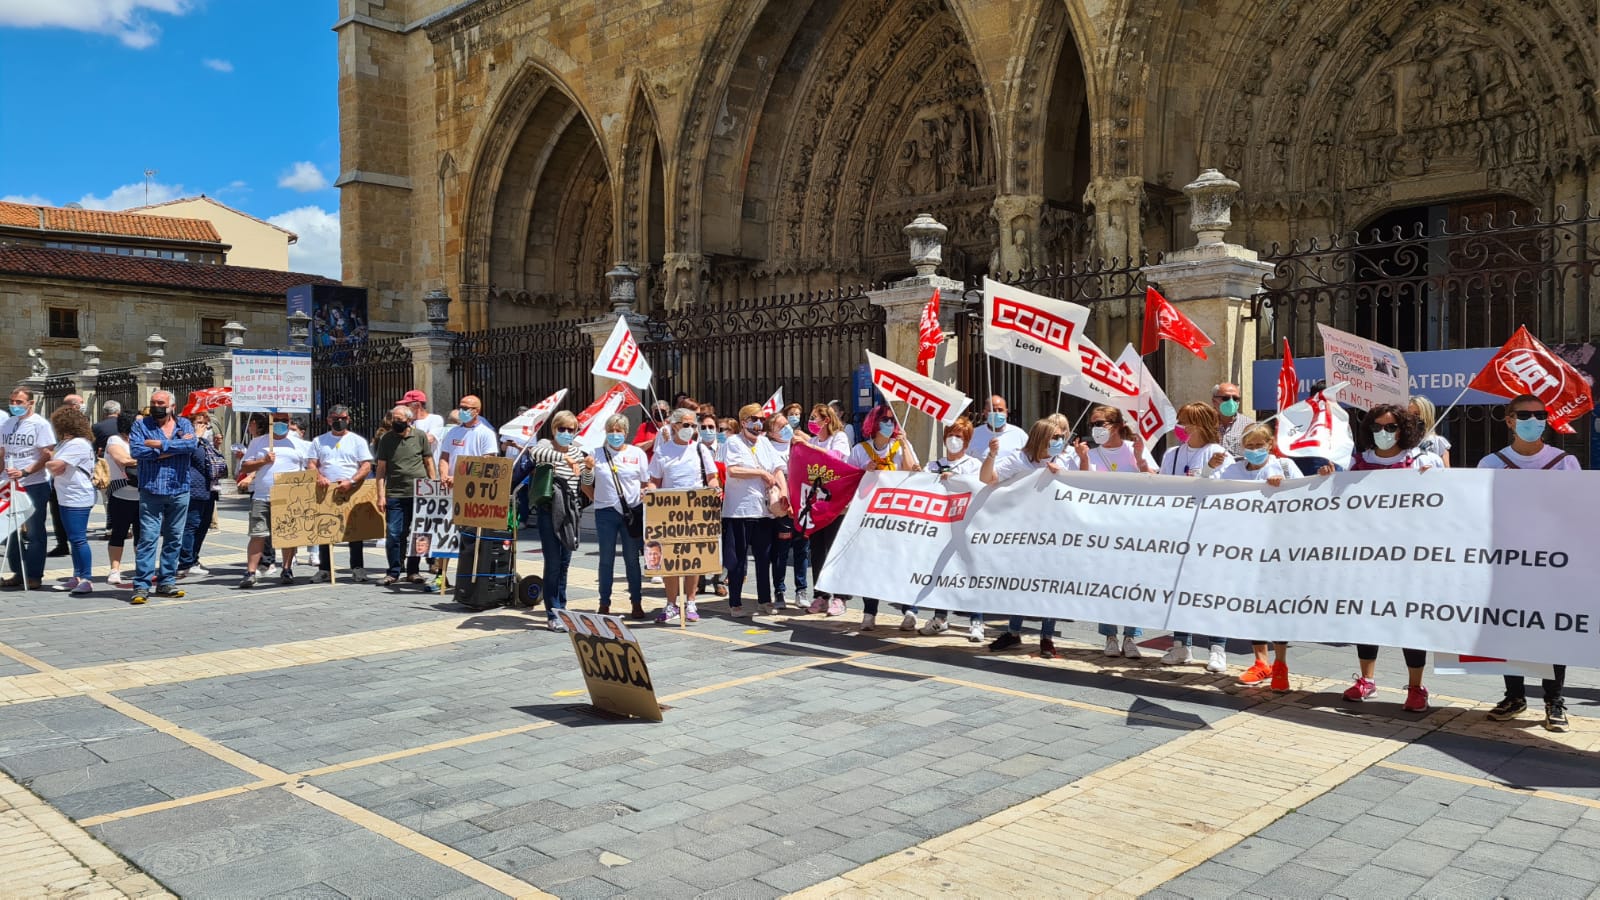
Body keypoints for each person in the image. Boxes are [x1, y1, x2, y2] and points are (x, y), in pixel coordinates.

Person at [1478, 394, 1580, 732]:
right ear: (1509, 420)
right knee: (1509, 629)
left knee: (1552, 633)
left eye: (1541, 414)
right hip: (1506, 566)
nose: (1534, 420)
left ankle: (1554, 701)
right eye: (1525, 415)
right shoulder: (1490, 464)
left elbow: (1578, 515)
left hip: (1553, 568)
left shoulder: (1566, 463)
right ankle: (1515, 695)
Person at [1335, 403, 1444, 710]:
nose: (1383, 433)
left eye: (1391, 427)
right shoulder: (1357, 463)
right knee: (1366, 617)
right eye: (1377, 428)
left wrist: (1431, 479)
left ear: (1404, 429)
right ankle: (1366, 680)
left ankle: (1416, 687)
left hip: (1410, 558)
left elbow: (1446, 502)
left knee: (1409, 620)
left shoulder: (1423, 461)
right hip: (1366, 557)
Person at [981, 414, 1073, 656]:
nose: (1060, 442)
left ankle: (1047, 636)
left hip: (1055, 532)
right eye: (1055, 438)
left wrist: (1063, 475)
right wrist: (991, 455)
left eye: (1062, 438)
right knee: (1021, 582)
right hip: (1023, 532)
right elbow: (987, 479)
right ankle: (1013, 632)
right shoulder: (1019, 459)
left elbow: (1084, 487)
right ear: (1042, 438)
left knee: (1050, 584)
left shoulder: (1064, 460)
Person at [1077, 405, 1156, 658]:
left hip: (1133, 528)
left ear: (1117, 425)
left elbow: (1155, 479)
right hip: (1103, 529)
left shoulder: (1132, 450)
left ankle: (1131, 637)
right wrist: (1084, 460)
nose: (1096, 429)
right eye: (1093, 424)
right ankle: (1110, 636)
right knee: (1107, 583)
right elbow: (1080, 486)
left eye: (1101, 423)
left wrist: (1142, 459)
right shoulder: (1092, 453)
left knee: (1134, 583)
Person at [1219, 423, 1293, 690]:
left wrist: (1283, 488)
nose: (1253, 451)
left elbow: (1307, 496)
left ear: (1269, 445)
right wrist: (1208, 469)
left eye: (1258, 446)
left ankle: (1281, 664)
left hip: (1278, 549)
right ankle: (1261, 661)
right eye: (1248, 447)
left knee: (1277, 608)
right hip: (1244, 549)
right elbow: (1211, 492)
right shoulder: (1233, 470)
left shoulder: (1283, 467)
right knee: (1253, 606)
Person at [1159, 402, 1232, 670]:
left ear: (1200, 424)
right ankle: (1181, 646)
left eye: (1185, 421)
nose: (1181, 427)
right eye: (1180, 421)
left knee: (1211, 591)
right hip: (1179, 531)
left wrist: (1209, 471)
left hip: (1209, 532)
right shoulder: (1172, 454)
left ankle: (1217, 648)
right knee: (1179, 590)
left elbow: (1224, 491)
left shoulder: (1218, 453)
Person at [837, 404, 921, 630]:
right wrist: (866, 470)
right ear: (873, 423)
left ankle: (910, 610)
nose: (888, 423)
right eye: (884, 419)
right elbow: (847, 480)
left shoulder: (900, 446)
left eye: (891, 420)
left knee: (901, 564)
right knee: (870, 565)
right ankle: (869, 613)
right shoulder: (860, 450)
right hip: (869, 517)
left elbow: (914, 470)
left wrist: (904, 442)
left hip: (897, 516)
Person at [647, 408, 721, 624]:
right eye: (686, 425)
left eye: (693, 425)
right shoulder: (662, 452)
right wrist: (649, 491)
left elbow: (712, 477)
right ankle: (671, 604)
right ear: (675, 425)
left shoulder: (700, 450)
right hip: (669, 515)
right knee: (669, 562)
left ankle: (690, 602)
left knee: (692, 560)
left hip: (695, 513)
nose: (690, 429)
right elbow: (654, 481)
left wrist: (714, 488)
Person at [917, 415, 986, 641]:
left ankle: (976, 621)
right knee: (941, 572)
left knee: (970, 573)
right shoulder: (933, 465)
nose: (953, 440)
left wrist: (956, 479)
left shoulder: (974, 465)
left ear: (966, 441)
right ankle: (939, 618)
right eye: (950, 435)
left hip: (966, 527)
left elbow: (979, 489)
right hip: (942, 528)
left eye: (959, 436)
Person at [127, 390, 198, 605]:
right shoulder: (141, 425)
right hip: (152, 489)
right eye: (153, 402)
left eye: (161, 403)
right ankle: (141, 584)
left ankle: (167, 580)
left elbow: (191, 446)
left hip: (179, 489)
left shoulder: (184, 424)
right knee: (148, 538)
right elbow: (137, 451)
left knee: (174, 538)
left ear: (172, 406)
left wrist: (158, 445)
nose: (156, 406)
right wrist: (174, 448)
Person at [720, 403, 786, 617]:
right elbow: (734, 470)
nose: (758, 423)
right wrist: (760, 473)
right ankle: (735, 601)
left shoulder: (766, 442)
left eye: (761, 419)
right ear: (744, 422)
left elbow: (777, 469)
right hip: (740, 510)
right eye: (754, 419)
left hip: (763, 510)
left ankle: (764, 600)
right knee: (737, 559)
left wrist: (784, 492)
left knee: (764, 556)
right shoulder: (733, 442)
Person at [238, 412, 314, 588]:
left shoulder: (299, 444)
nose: (280, 423)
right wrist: (263, 461)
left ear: (289, 422)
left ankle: (286, 569)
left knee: (288, 535)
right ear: (271, 421)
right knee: (258, 534)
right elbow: (245, 465)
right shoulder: (259, 441)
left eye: (284, 420)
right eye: (277, 420)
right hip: (262, 495)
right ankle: (250, 572)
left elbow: (309, 467)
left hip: (289, 497)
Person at [529, 411, 590, 631]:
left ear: (576, 431)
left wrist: (589, 467)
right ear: (554, 429)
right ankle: (552, 612)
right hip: (550, 510)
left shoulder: (578, 451)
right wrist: (564, 457)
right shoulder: (546, 447)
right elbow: (536, 453)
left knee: (564, 563)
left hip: (571, 511)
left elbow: (584, 480)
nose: (565, 433)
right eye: (561, 429)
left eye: (570, 429)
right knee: (553, 562)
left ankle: (561, 608)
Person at [584, 413, 649, 618]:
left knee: (632, 559)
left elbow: (646, 483)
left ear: (625, 432)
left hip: (631, 512)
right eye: (611, 430)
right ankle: (604, 602)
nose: (614, 434)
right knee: (606, 559)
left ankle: (636, 602)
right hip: (606, 513)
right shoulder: (596, 454)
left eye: (618, 430)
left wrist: (643, 493)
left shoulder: (637, 453)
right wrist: (597, 500)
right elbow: (585, 483)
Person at [374, 405, 439, 590]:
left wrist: (433, 486)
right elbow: (380, 469)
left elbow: (428, 461)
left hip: (419, 493)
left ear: (409, 420)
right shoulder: (386, 439)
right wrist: (380, 495)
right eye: (393, 419)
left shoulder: (419, 436)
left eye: (400, 420)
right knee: (394, 534)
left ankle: (413, 570)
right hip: (395, 494)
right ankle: (393, 571)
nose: (396, 423)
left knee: (419, 534)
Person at [308, 405, 376, 582]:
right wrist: (320, 476)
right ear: (328, 420)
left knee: (355, 531)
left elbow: (366, 465)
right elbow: (312, 464)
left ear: (349, 420)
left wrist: (351, 481)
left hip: (351, 490)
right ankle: (325, 569)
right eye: (336, 418)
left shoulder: (357, 441)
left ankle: (358, 568)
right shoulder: (318, 441)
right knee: (324, 528)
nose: (340, 421)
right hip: (326, 491)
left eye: (343, 418)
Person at [1, 387, 55, 590]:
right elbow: (2, 453)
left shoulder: (40, 424)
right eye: (12, 401)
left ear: (30, 403)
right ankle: (18, 571)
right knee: (9, 531)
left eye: (19, 402)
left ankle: (34, 575)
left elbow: (47, 453)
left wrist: (26, 471)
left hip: (33, 484)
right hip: (8, 484)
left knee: (33, 532)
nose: (14, 405)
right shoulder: (7, 424)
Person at [43, 405, 95, 594]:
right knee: (73, 539)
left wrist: (48, 459)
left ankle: (87, 578)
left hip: (77, 496)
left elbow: (57, 466)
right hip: (66, 495)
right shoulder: (67, 443)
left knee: (79, 539)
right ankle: (77, 576)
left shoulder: (78, 444)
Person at [177, 410, 227, 579]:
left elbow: (212, 462)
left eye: (206, 423)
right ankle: (185, 563)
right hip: (194, 489)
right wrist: (195, 437)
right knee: (192, 525)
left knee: (203, 526)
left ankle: (193, 559)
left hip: (208, 489)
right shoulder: (184, 438)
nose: (204, 427)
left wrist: (217, 446)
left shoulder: (205, 441)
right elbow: (186, 456)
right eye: (199, 423)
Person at [764, 412, 804, 611]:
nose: (787, 428)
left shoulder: (798, 443)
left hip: (802, 503)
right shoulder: (768, 447)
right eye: (781, 426)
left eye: (787, 424)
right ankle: (779, 590)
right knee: (781, 550)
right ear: (771, 432)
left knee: (802, 548)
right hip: (782, 505)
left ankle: (801, 590)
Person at [103, 411, 140, 587]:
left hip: (143, 494)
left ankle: (141, 568)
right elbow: (122, 459)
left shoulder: (141, 439)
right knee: (119, 533)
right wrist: (147, 458)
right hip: (121, 494)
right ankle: (115, 569)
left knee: (143, 535)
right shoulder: (115, 440)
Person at [969, 394, 1027, 459]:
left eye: (1000, 410)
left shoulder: (1019, 434)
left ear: (1006, 412)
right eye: (993, 410)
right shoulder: (974, 434)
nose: (997, 413)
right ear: (985, 413)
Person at [1213, 382, 1255, 457]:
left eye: (1235, 398)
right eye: (1226, 398)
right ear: (1214, 401)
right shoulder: (1203, 424)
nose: (1231, 402)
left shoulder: (1249, 425)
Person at [1410, 395, 1452, 467]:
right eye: (1408, 414)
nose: (1411, 418)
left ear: (1426, 416)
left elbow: (1446, 471)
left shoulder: (1438, 442)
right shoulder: (1399, 440)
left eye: (1416, 414)